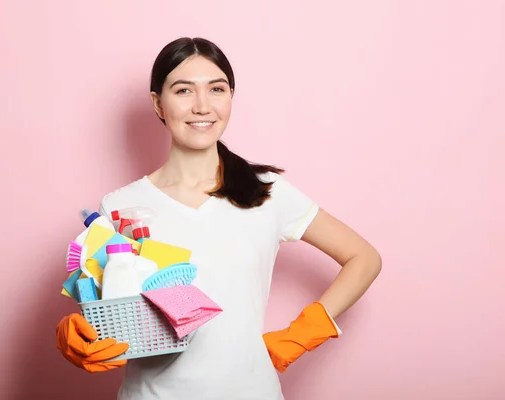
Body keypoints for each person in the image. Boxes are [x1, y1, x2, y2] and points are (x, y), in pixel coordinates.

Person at [56, 37, 382, 399]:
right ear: (158, 104)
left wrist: (301, 334)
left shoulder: (267, 192)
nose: (202, 106)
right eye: (183, 91)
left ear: (230, 98)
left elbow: (363, 258)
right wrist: (79, 336)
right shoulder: (120, 206)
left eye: (216, 89)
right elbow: (110, 316)